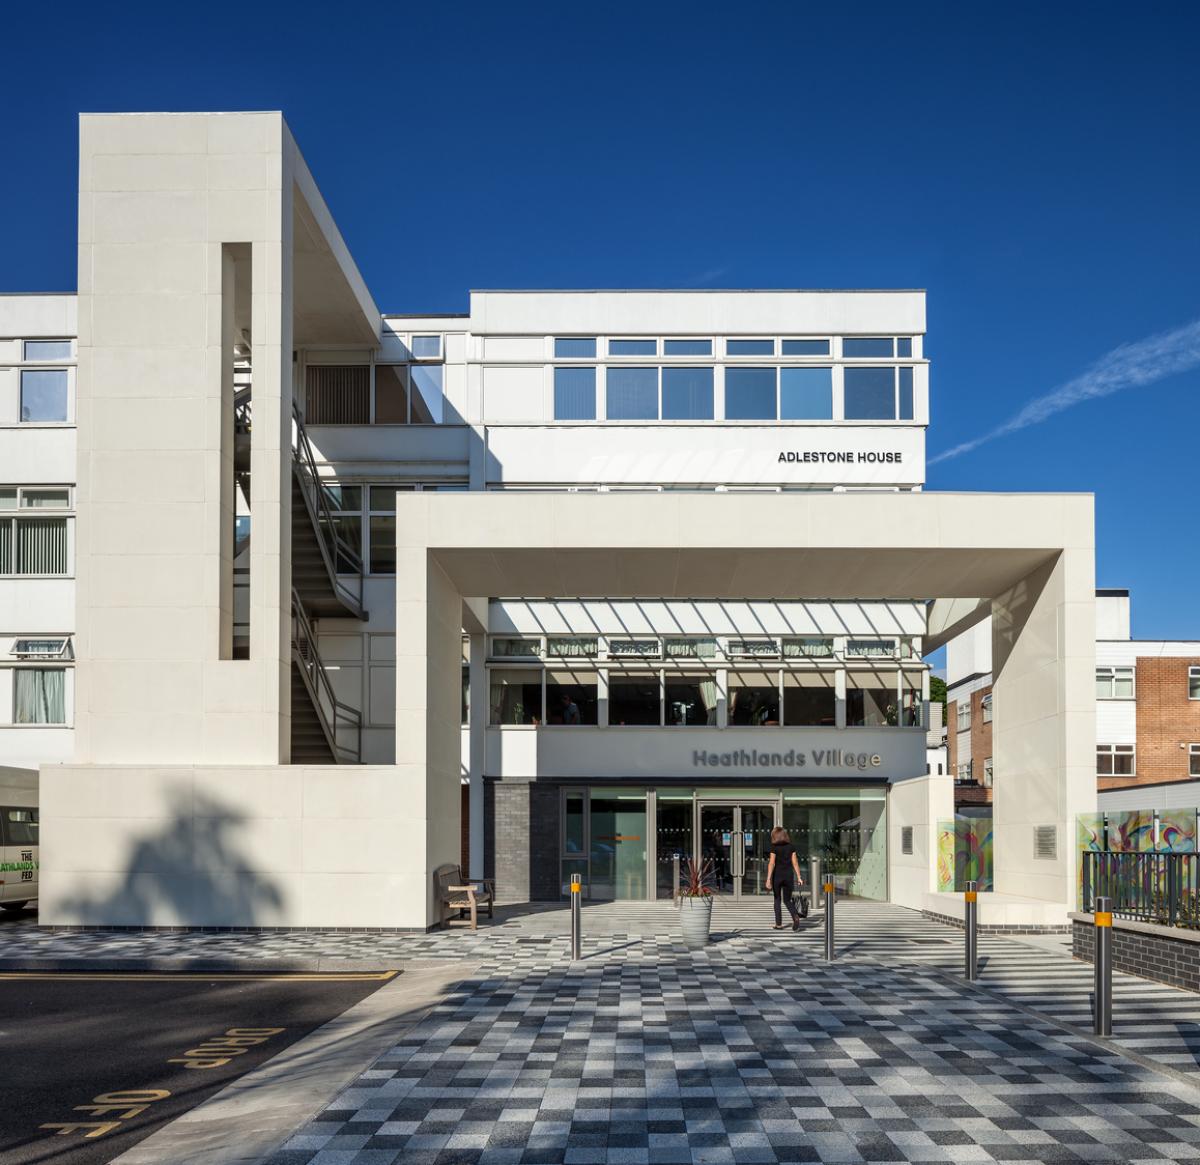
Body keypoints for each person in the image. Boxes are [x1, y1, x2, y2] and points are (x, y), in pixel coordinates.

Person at [764, 825, 804, 930]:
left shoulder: (774, 848)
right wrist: (799, 877)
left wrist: (768, 879)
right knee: (787, 900)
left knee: (777, 900)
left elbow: (771, 863)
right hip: (788, 876)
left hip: (777, 876)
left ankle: (778, 924)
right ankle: (795, 916)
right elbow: (795, 863)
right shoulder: (791, 847)